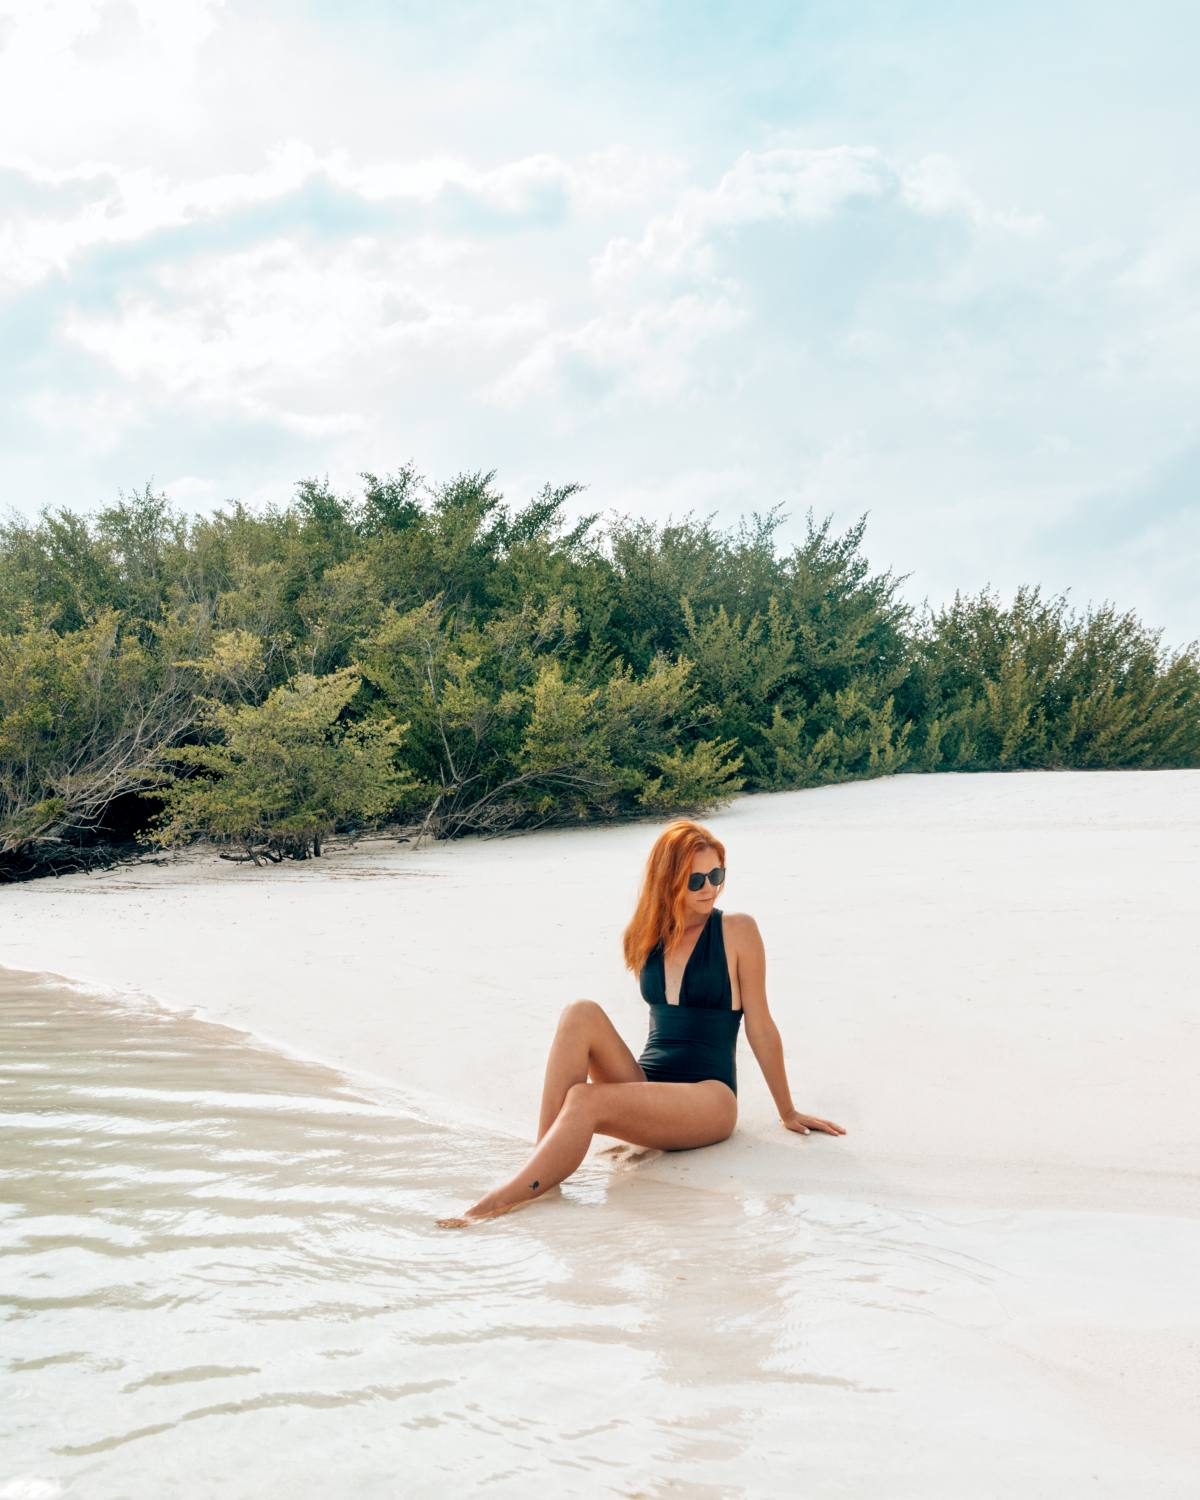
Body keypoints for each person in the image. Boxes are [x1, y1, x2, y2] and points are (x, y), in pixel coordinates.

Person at [436, 817, 845, 1227]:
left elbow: (760, 1024)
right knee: (580, 1013)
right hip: (648, 1084)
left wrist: (787, 1110)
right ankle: (544, 1169)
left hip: (709, 1097)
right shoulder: (647, 935)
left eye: (717, 875)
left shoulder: (737, 930)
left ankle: (495, 1203)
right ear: (669, 881)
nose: (710, 888)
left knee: (584, 1099)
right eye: (696, 880)